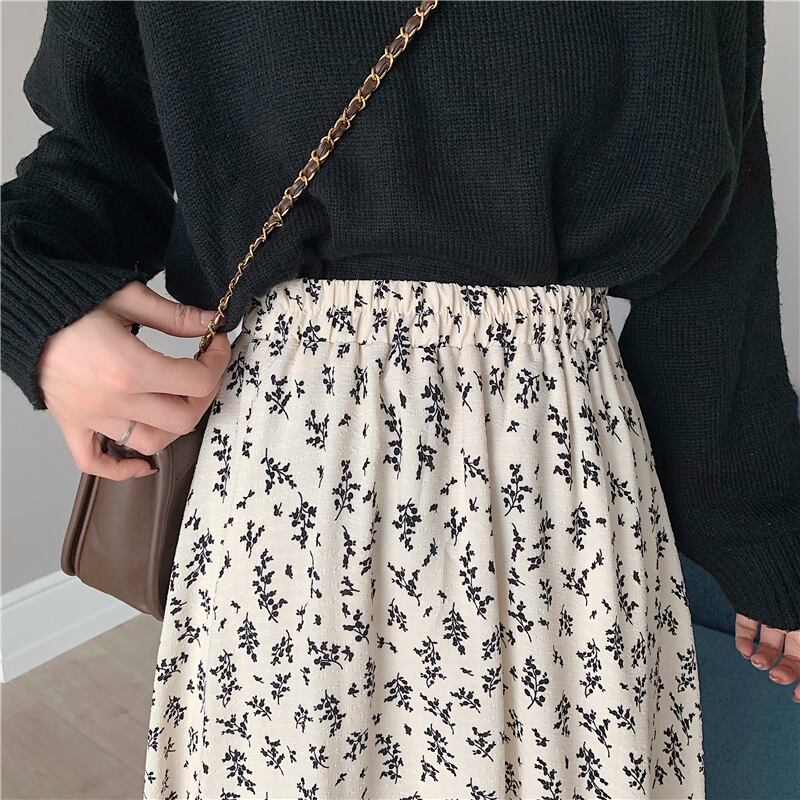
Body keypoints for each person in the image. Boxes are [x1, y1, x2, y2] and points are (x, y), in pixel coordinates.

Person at [2, 2, 798, 798]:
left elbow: (715, 250)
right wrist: (37, 310)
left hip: (555, 498)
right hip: (302, 491)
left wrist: (764, 541)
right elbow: (94, 150)